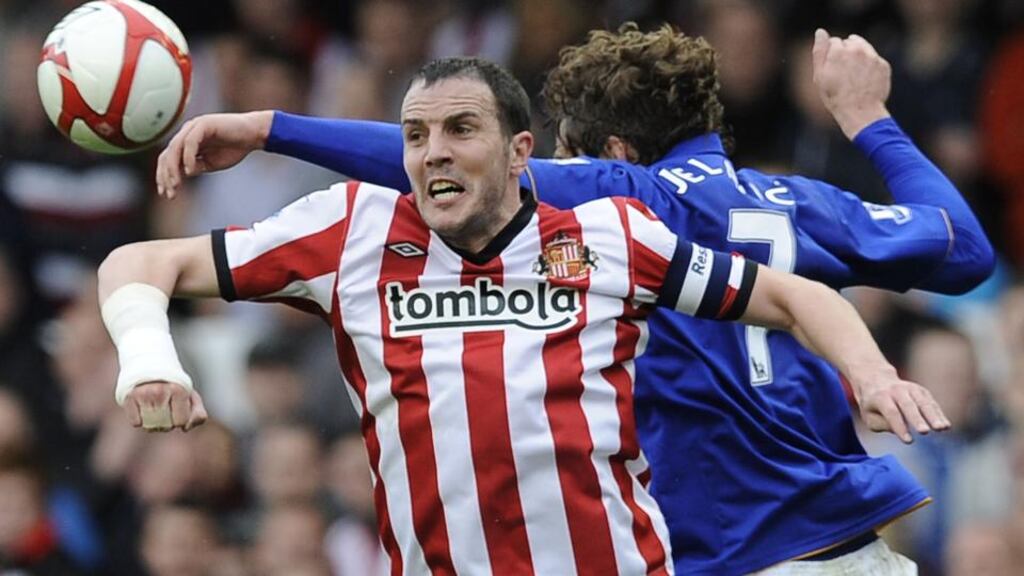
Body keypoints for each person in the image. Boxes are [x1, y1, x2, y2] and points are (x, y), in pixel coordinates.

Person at [153, 27, 993, 575]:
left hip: (730, 551)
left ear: (610, 149)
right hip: (847, 547)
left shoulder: (620, 197)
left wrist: (270, 127)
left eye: (558, 151)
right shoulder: (803, 202)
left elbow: (447, 160)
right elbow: (964, 250)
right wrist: (870, 120)